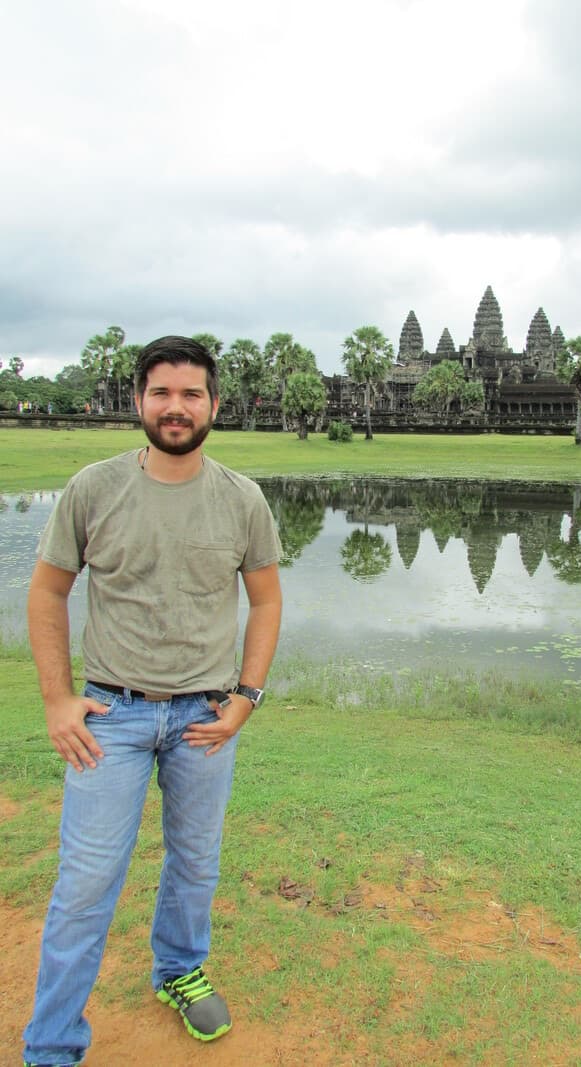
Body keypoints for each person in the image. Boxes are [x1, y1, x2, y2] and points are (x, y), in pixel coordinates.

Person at [22, 336, 282, 1066]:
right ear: (138, 400)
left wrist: (245, 697)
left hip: (204, 715)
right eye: (161, 392)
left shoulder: (242, 499)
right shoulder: (93, 488)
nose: (176, 407)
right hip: (113, 714)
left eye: (191, 393)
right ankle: (51, 1045)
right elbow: (48, 589)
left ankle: (177, 968)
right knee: (87, 880)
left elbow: (265, 601)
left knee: (196, 862)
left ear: (214, 405)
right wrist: (57, 699)